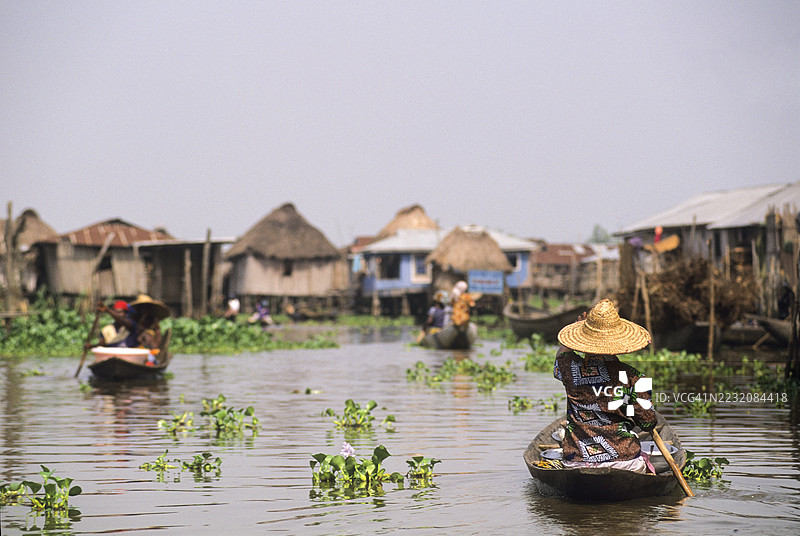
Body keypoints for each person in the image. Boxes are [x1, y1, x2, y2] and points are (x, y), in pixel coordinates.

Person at [553, 298, 656, 473]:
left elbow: (562, 355)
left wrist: (577, 334)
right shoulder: (635, 378)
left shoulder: (569, 368)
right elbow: (647, 423)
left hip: (577, 460)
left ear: (583, 341)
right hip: (624, 462)